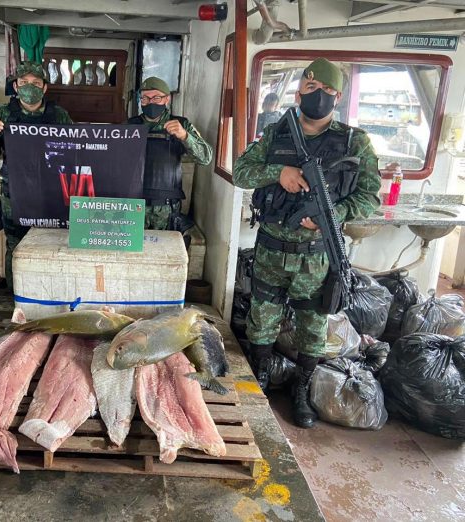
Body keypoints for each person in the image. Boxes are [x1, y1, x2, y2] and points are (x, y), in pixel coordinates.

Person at [233, 58, 381, 429]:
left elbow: (370, 197)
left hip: (316, 258)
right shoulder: (275, 133)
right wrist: (278, 172)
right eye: (312, 90)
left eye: (328, 92)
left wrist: (335, 213)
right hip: (270, 249)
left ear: (339, 97)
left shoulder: (354, 142)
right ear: (299, 92)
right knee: (260, 321)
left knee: (313, 328)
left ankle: (302, 390)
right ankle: (261, 378)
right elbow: (241, 171)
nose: (319, 97)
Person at [0, 61, 72, 288]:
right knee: (17, 246)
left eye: (36, 82)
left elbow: (74, 151)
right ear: (16, 86)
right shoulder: (2, 113)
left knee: (53, 244)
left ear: (44, 87)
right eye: (24, 82)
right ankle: (16, 298)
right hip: (16, 193)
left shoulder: (58, 115)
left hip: (52, 193)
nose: (30, 86)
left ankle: (51, 292)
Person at [126, 76, 212, 230]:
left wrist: (185, 136)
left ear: (167, 99)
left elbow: (205, 158)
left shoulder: (181, 124)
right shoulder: (129, 125)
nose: (150, 102)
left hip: (166, 208)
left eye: (156, 97)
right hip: (134, 205)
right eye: (145, 98)